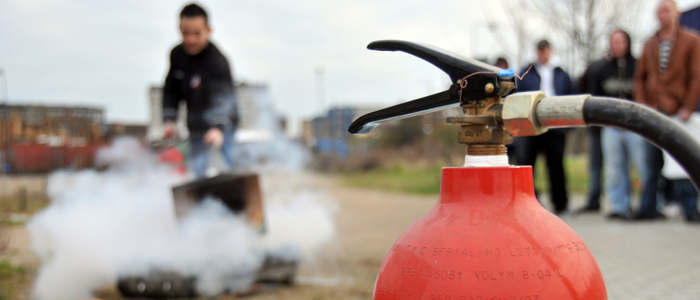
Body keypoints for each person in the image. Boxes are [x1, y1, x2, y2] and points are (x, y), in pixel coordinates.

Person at [635, 0, 700, 221]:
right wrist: (643, 104)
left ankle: (690, 208)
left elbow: (695, 76)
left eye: (666, 10)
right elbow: (640, 78)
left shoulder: (691, 40)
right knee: (651, 163)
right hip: (654, 111)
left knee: (682, 162)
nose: (662, 15)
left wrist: (688, 107)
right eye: (658, 11)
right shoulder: (649, 43)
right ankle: (648, 207)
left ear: (677, 13)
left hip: (678, 111)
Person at [162, 3, 239, 178]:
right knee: (200, 174)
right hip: (196, 128)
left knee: (224, 175)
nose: (190, 39)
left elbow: (223, 98)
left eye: (196, 33)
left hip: (223, 128)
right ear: (179, 29)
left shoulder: (218, 61)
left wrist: (217, 128)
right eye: (185, 33)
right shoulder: (177, 55)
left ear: (209, 30)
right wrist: (169, 120)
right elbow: (171, 90)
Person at [515, 40, 575, 215]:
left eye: (545, 50)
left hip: (555, 126)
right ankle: (527, 203)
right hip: (531, 126)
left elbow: (570, 96)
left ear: (550, 51)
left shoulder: (561, 73)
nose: (543, 54)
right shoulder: (526, 72)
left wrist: (567, 126)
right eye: (539, 50)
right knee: (527, 165)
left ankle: (561, 204)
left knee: (556, 166)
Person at [588, 30, 641, 219]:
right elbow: (593, 96)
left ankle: (648, 205)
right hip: (610, 127)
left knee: (642, 166)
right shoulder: (601, 69)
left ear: (628, 42)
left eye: (621, 41)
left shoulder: (638, 66)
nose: (617, 45)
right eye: (614, 41)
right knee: (614, 168)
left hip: (636, 126)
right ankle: (619, 206)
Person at [577, 59, 606, 214]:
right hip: (595, 127)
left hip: (600, 126)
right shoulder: (594, 70)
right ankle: (594, 198)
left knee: (600, 166)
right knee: (596, 165)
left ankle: (595, 199)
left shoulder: (598, 70)